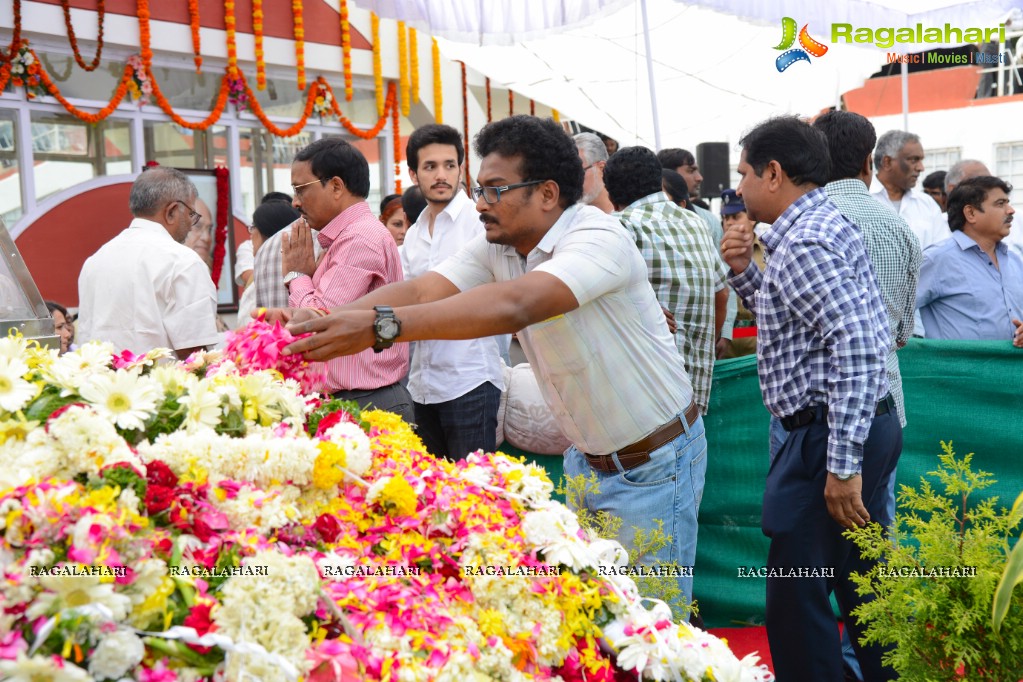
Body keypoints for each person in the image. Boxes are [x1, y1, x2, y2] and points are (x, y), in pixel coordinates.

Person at [279, 116, 706, 613]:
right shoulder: (500, 244)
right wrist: (318, 321)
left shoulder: (598, 238)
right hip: (588, 460)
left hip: (652, 463)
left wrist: (381, 327)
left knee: (651, 631)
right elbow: (421, 289)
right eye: (480, 189)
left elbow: (516, 305)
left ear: (547, 193)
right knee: (602, 623)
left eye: (495, 190)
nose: (480, 204)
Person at [721, 116, 899, 682]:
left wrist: (841, 464)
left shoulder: (806, 240)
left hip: (830, 434)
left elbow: (857, 346)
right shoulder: (812, 228)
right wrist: (744, 272)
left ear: (774, 174)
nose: (740, 187)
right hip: (846, 427)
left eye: (745, 173)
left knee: (797, 600)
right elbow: (797, 321)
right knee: (860, 585)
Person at [813, 110, 923, 682]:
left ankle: (830, 663)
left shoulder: (804, 222)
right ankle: (876, 664)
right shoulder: (897, 227)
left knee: (805, 557)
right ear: (866, 162)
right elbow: (901, 331)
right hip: (882, 411)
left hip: (815, 418)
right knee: (873, 548)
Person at [281, 137, 412, 422]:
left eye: (301, 189)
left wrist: (297, 276)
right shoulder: (346, 236)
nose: (295, 201)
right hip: (356, 398)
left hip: (367, 401)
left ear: (337, 187)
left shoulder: (360, 238)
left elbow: (317, 322)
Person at [400, 123, 504, 460]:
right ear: (414, 174)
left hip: (469, 380)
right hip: (422, 384)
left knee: (475, 496)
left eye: (449, 165)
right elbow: (407, 295)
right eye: (430, 167)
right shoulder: (414, 234)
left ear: (462, 168)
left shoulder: (480, 222)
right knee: (435, 494)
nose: (441, 175)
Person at [602, 145, 727, 415]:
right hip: (693, 398)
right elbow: (722, 294)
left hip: (643, 402)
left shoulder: (619, 226)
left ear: (611, 197)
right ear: (659, 182)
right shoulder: (696, 223)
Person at [77, 167, 221, 358]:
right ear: (171, 212)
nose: (190, 223)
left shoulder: (95, 261)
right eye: (191, 214)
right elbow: (194, 354)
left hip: (104, 385)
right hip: (163, 386)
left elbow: (87, 337)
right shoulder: (183, 261)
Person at [916, 176, 1023, 345]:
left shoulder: (1015, 261)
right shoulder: (938, 259)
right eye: (1000, 204)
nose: (1010, 210)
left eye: (1007, 203)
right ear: (971, 213)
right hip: (956, 370)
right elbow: (891, 312)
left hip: (1013, 370)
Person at [658, 147, 737, 357]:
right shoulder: (643, 221)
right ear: (669, 173)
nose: (699, 177)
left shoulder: (707, 221)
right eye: (691, 170)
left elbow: (724, 281)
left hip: (704, 337)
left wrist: (724, 330)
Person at [717, 189, 764, 359]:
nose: (728, 223)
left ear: (751, 219)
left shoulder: (769, 251)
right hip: (726, 340)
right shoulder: (717, 255)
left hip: (758, 339)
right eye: (725, 218)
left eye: (736, 216)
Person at [238, 201, 302, 324]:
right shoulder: (305, 252)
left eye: (253, 227)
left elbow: (252, 324)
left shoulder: (264, 259)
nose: (250, 235)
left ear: (265, 228)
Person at [573, 132, 613, 213]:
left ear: (602, 168)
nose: (572, 180)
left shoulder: (628, 216)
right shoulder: (569, 218)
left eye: (579, 173)